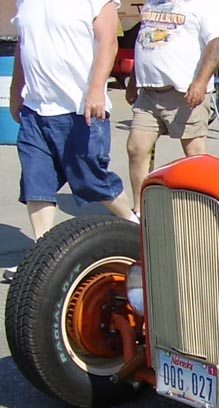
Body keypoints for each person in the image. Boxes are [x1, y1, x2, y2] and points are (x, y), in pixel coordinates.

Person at [6, 0, 138, 282]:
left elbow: (108, 43)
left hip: (80, 109)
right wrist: (16, 90)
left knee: (91, 179)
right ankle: (42, 258)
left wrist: (96, 89)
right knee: (35, 182)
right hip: (36, 109)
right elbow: (23, 46)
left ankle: (134, 228)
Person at [125, 0, 219, 215]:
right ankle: (141, 211)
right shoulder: (152, 2)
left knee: (194, 155)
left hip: (185, 92)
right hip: (149, 93)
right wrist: (134, 80)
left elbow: (217, 43)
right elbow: (144, 42)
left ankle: (201, 209)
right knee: (136, 148)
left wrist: (201, 82)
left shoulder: (205, 3)